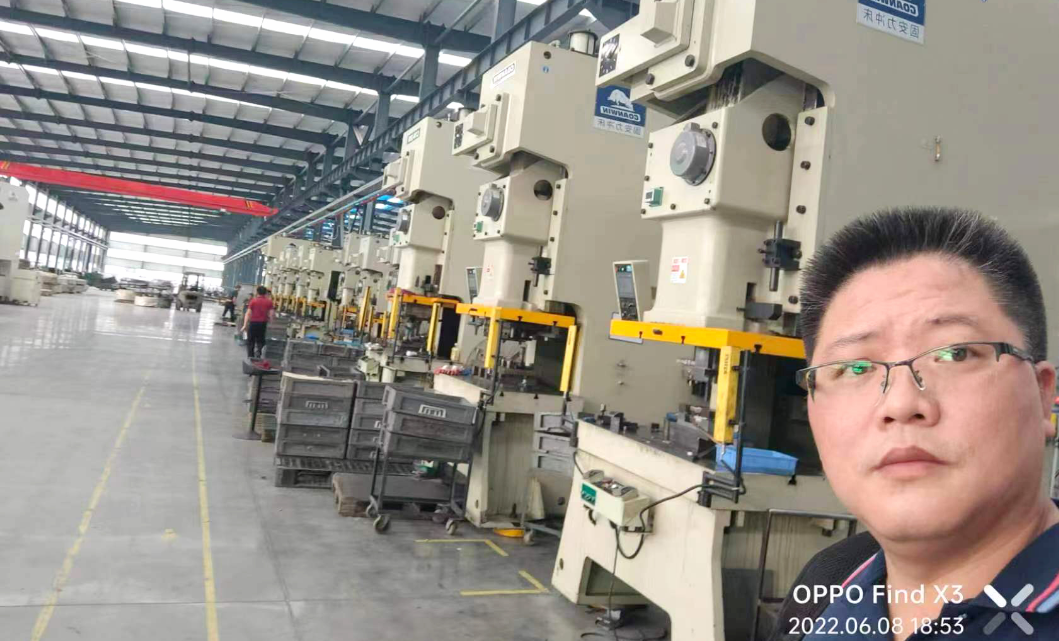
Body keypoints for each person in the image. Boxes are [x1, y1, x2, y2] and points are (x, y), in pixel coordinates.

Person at [774, 207, 1059, 640]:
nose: (901, 403)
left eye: (955, 353)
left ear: (1042, 395)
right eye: (855, 368)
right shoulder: (827, 586)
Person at [242, 286, 274, 359]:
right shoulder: (269, 302)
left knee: (251, 340)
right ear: (265, 293)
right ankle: (259, 353)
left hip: (253, 323)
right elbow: (271, 314)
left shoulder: (253, 301)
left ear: (257, 292)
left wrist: (245, 324)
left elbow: (248, 313)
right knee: (261, 340)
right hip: (263, 324)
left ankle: (250, 356)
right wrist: (271, 323)